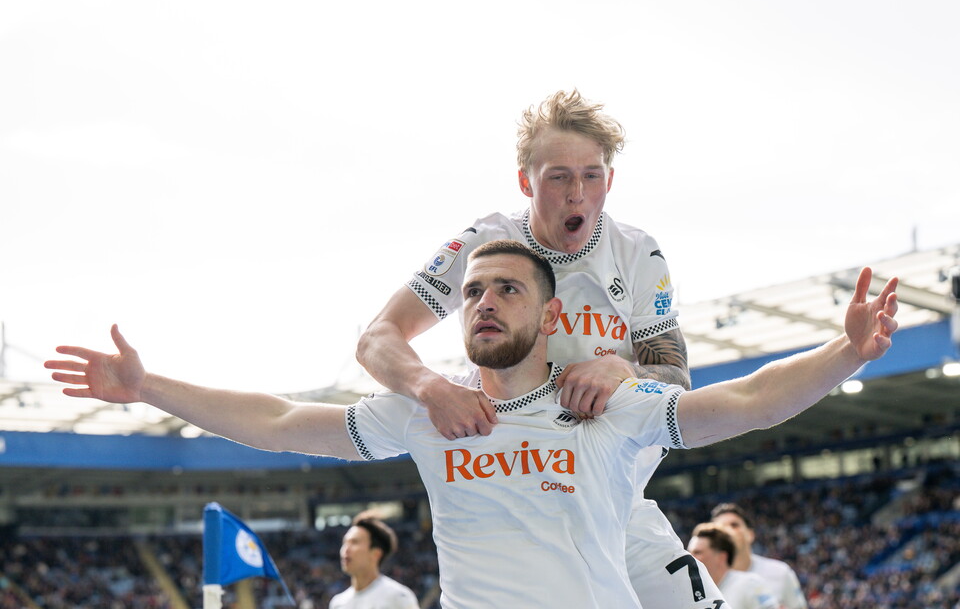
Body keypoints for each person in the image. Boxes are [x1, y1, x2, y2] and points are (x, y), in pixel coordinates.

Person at [46, 241, 898, 609]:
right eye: (473, 293)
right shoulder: (427, 413)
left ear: (550, 312)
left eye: (509, 290)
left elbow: (746, 402)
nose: (485, 302)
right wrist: (151, 385)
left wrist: (844, 354)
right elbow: (276, 420)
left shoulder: (602, 405)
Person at [356, 90, 712, 607]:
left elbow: (677, 379)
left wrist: (618, 367)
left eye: (592, 176)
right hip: (521, 493)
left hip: (620, 502)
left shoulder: (637, 253)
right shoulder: (486, 244)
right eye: (558, 177)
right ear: (526, 180)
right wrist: (431, 388)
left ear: (609, 180)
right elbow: (376, 338)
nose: (577, 196)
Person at [711, 503, 808, 609]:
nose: (728, 531)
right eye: (720, 529)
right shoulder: (709, 584)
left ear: (750, 534)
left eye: (734, 525)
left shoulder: (780, 572)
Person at [329, 511, 419, 609]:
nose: (345, 549)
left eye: (354, 542)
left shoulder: (398, 597)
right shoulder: (338, 603)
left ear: (376, 553)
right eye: (345, 543)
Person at [687, 523, 778, 609]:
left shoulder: (750, 585)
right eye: (689, 552)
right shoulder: (694, 593)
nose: (690, 557)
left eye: (697, 552)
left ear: (721, 557)